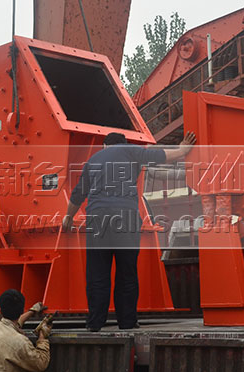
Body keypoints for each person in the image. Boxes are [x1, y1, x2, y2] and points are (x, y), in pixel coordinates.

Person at [62, 131, 196, 331]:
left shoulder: (93, 160)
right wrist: (183, 150)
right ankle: (127, 322)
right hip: (126, 219)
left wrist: (68, 217)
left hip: (98, 219)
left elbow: (78, 194)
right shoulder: (131, 151)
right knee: (127, 272)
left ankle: (95, 323)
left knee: (97, 273)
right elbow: (161, 156)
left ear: (105, 146)